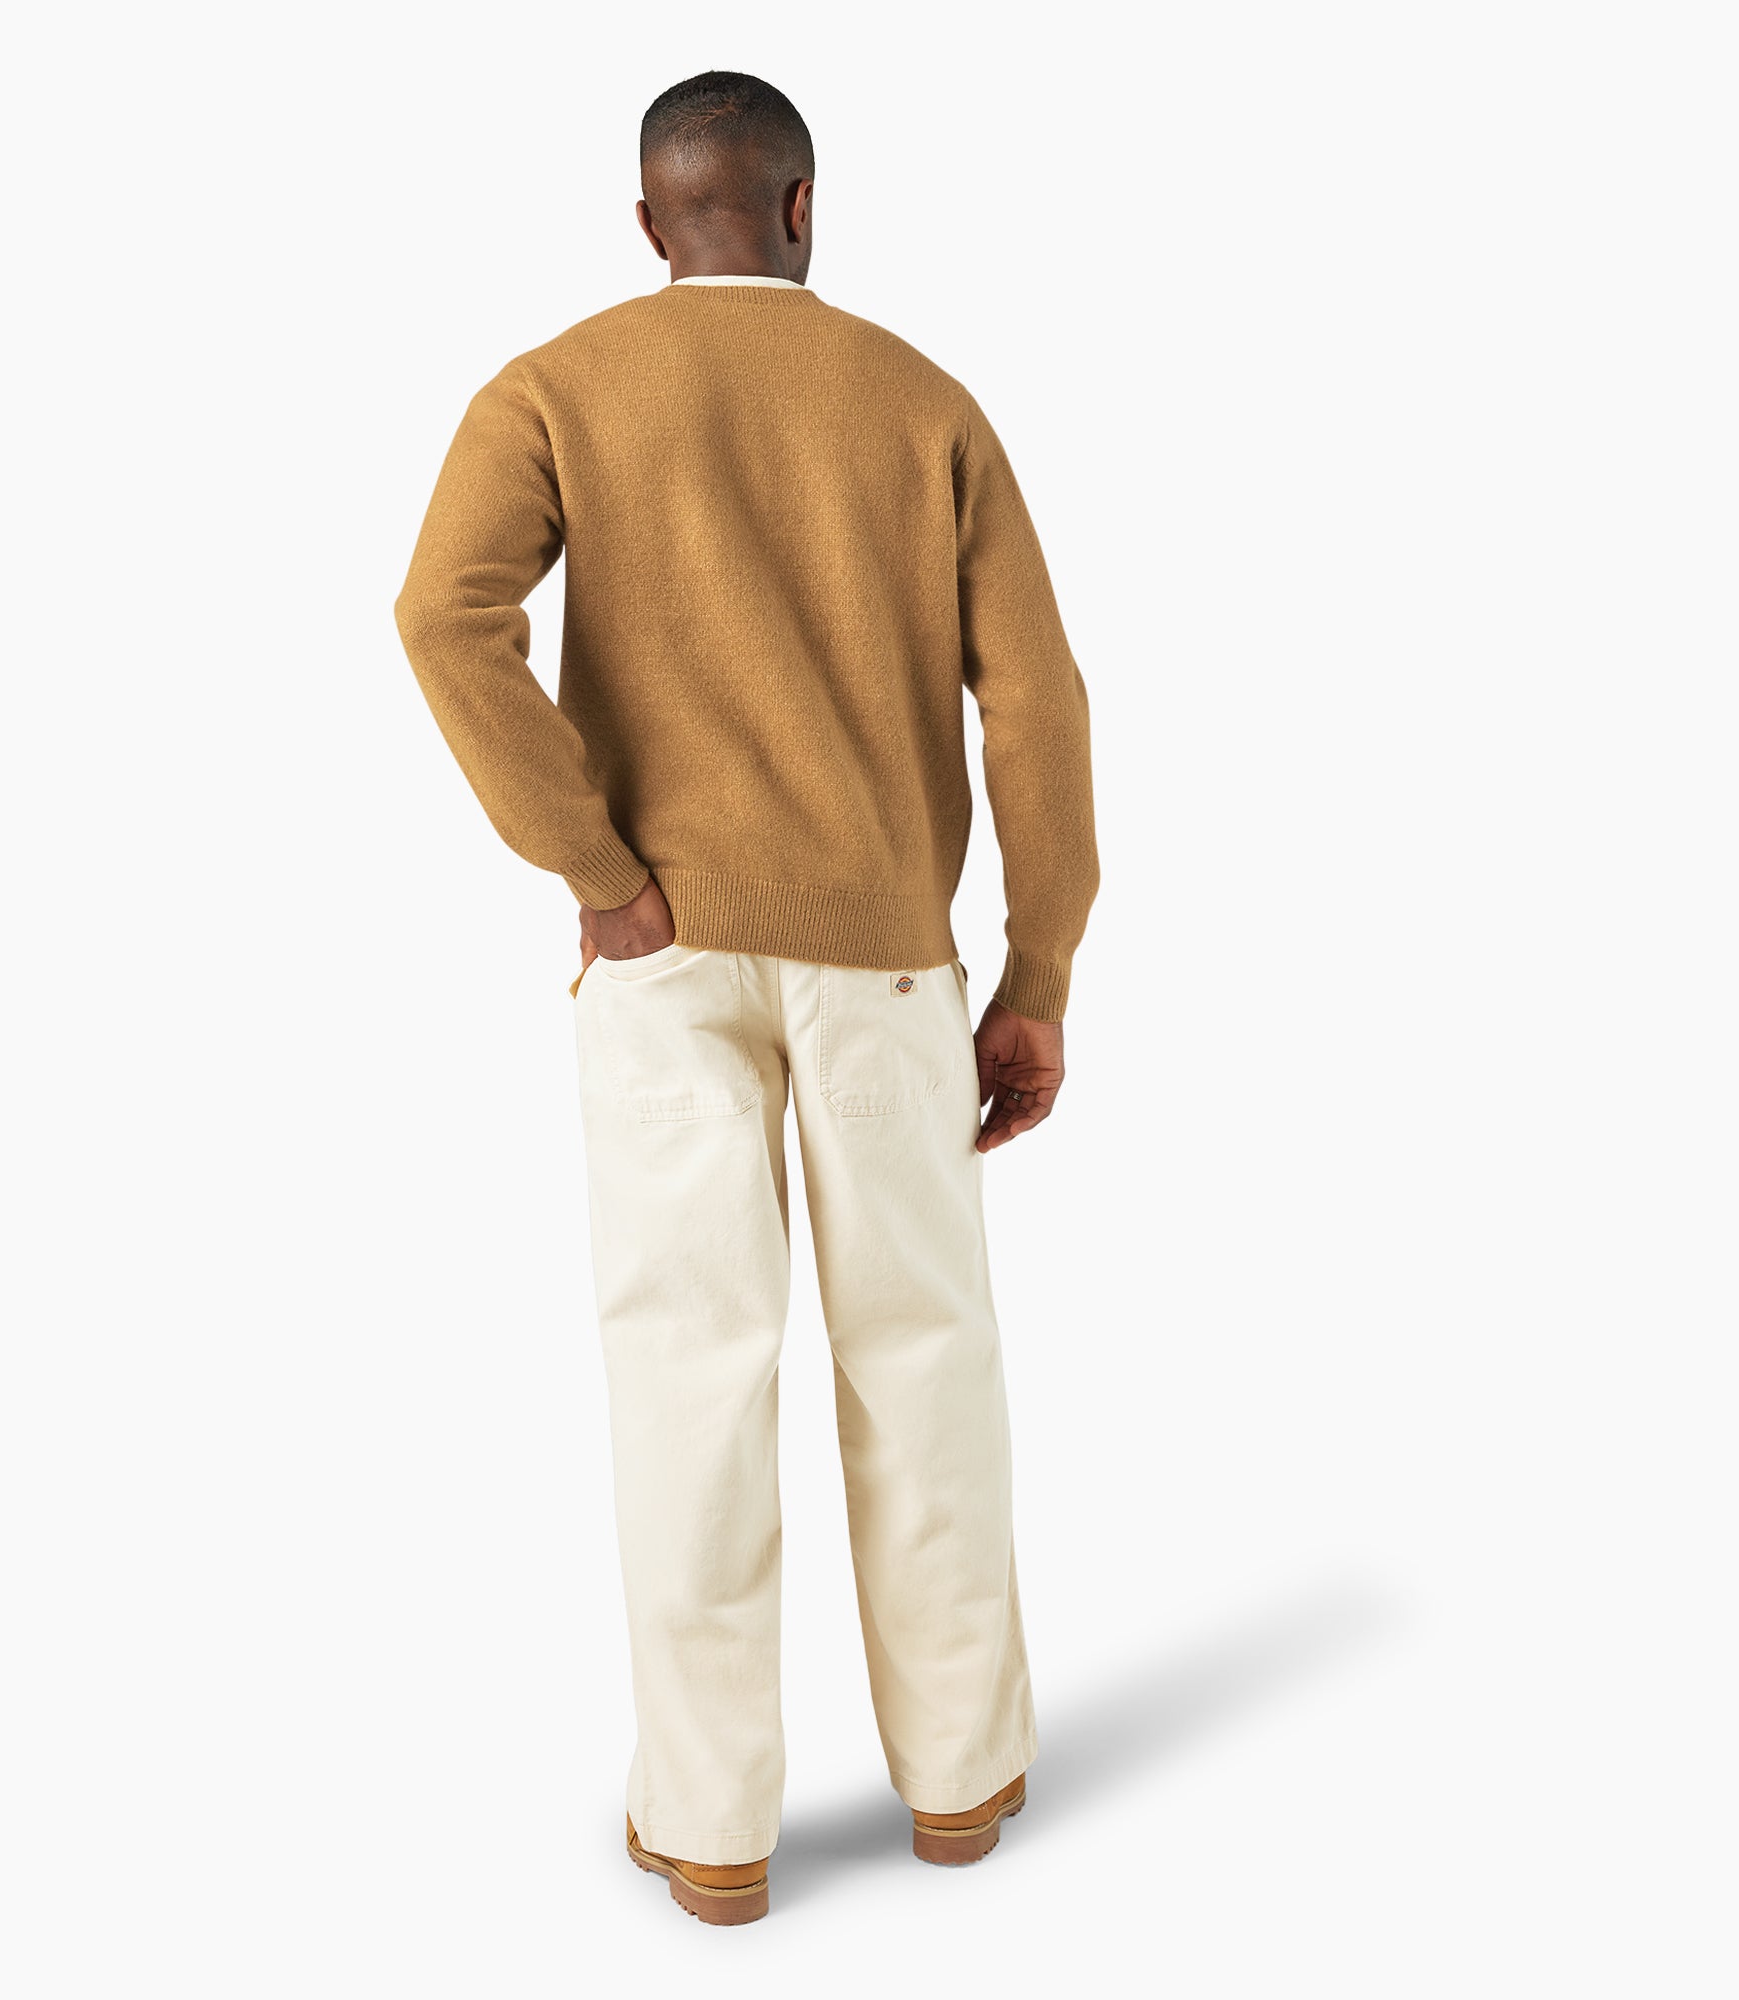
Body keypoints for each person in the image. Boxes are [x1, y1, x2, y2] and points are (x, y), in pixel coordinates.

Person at [394, 70, 1098, 1926]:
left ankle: (712, 1832)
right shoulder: (922, 402)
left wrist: (597, 871)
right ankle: (961, 1787)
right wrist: (1037, 967)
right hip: (889, 957)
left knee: (688, 1378)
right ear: (802, 207)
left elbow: (442, 615)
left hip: (663, 957)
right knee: (923, 1360)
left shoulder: (555, 386)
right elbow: (1036, 700)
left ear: (650, 223)